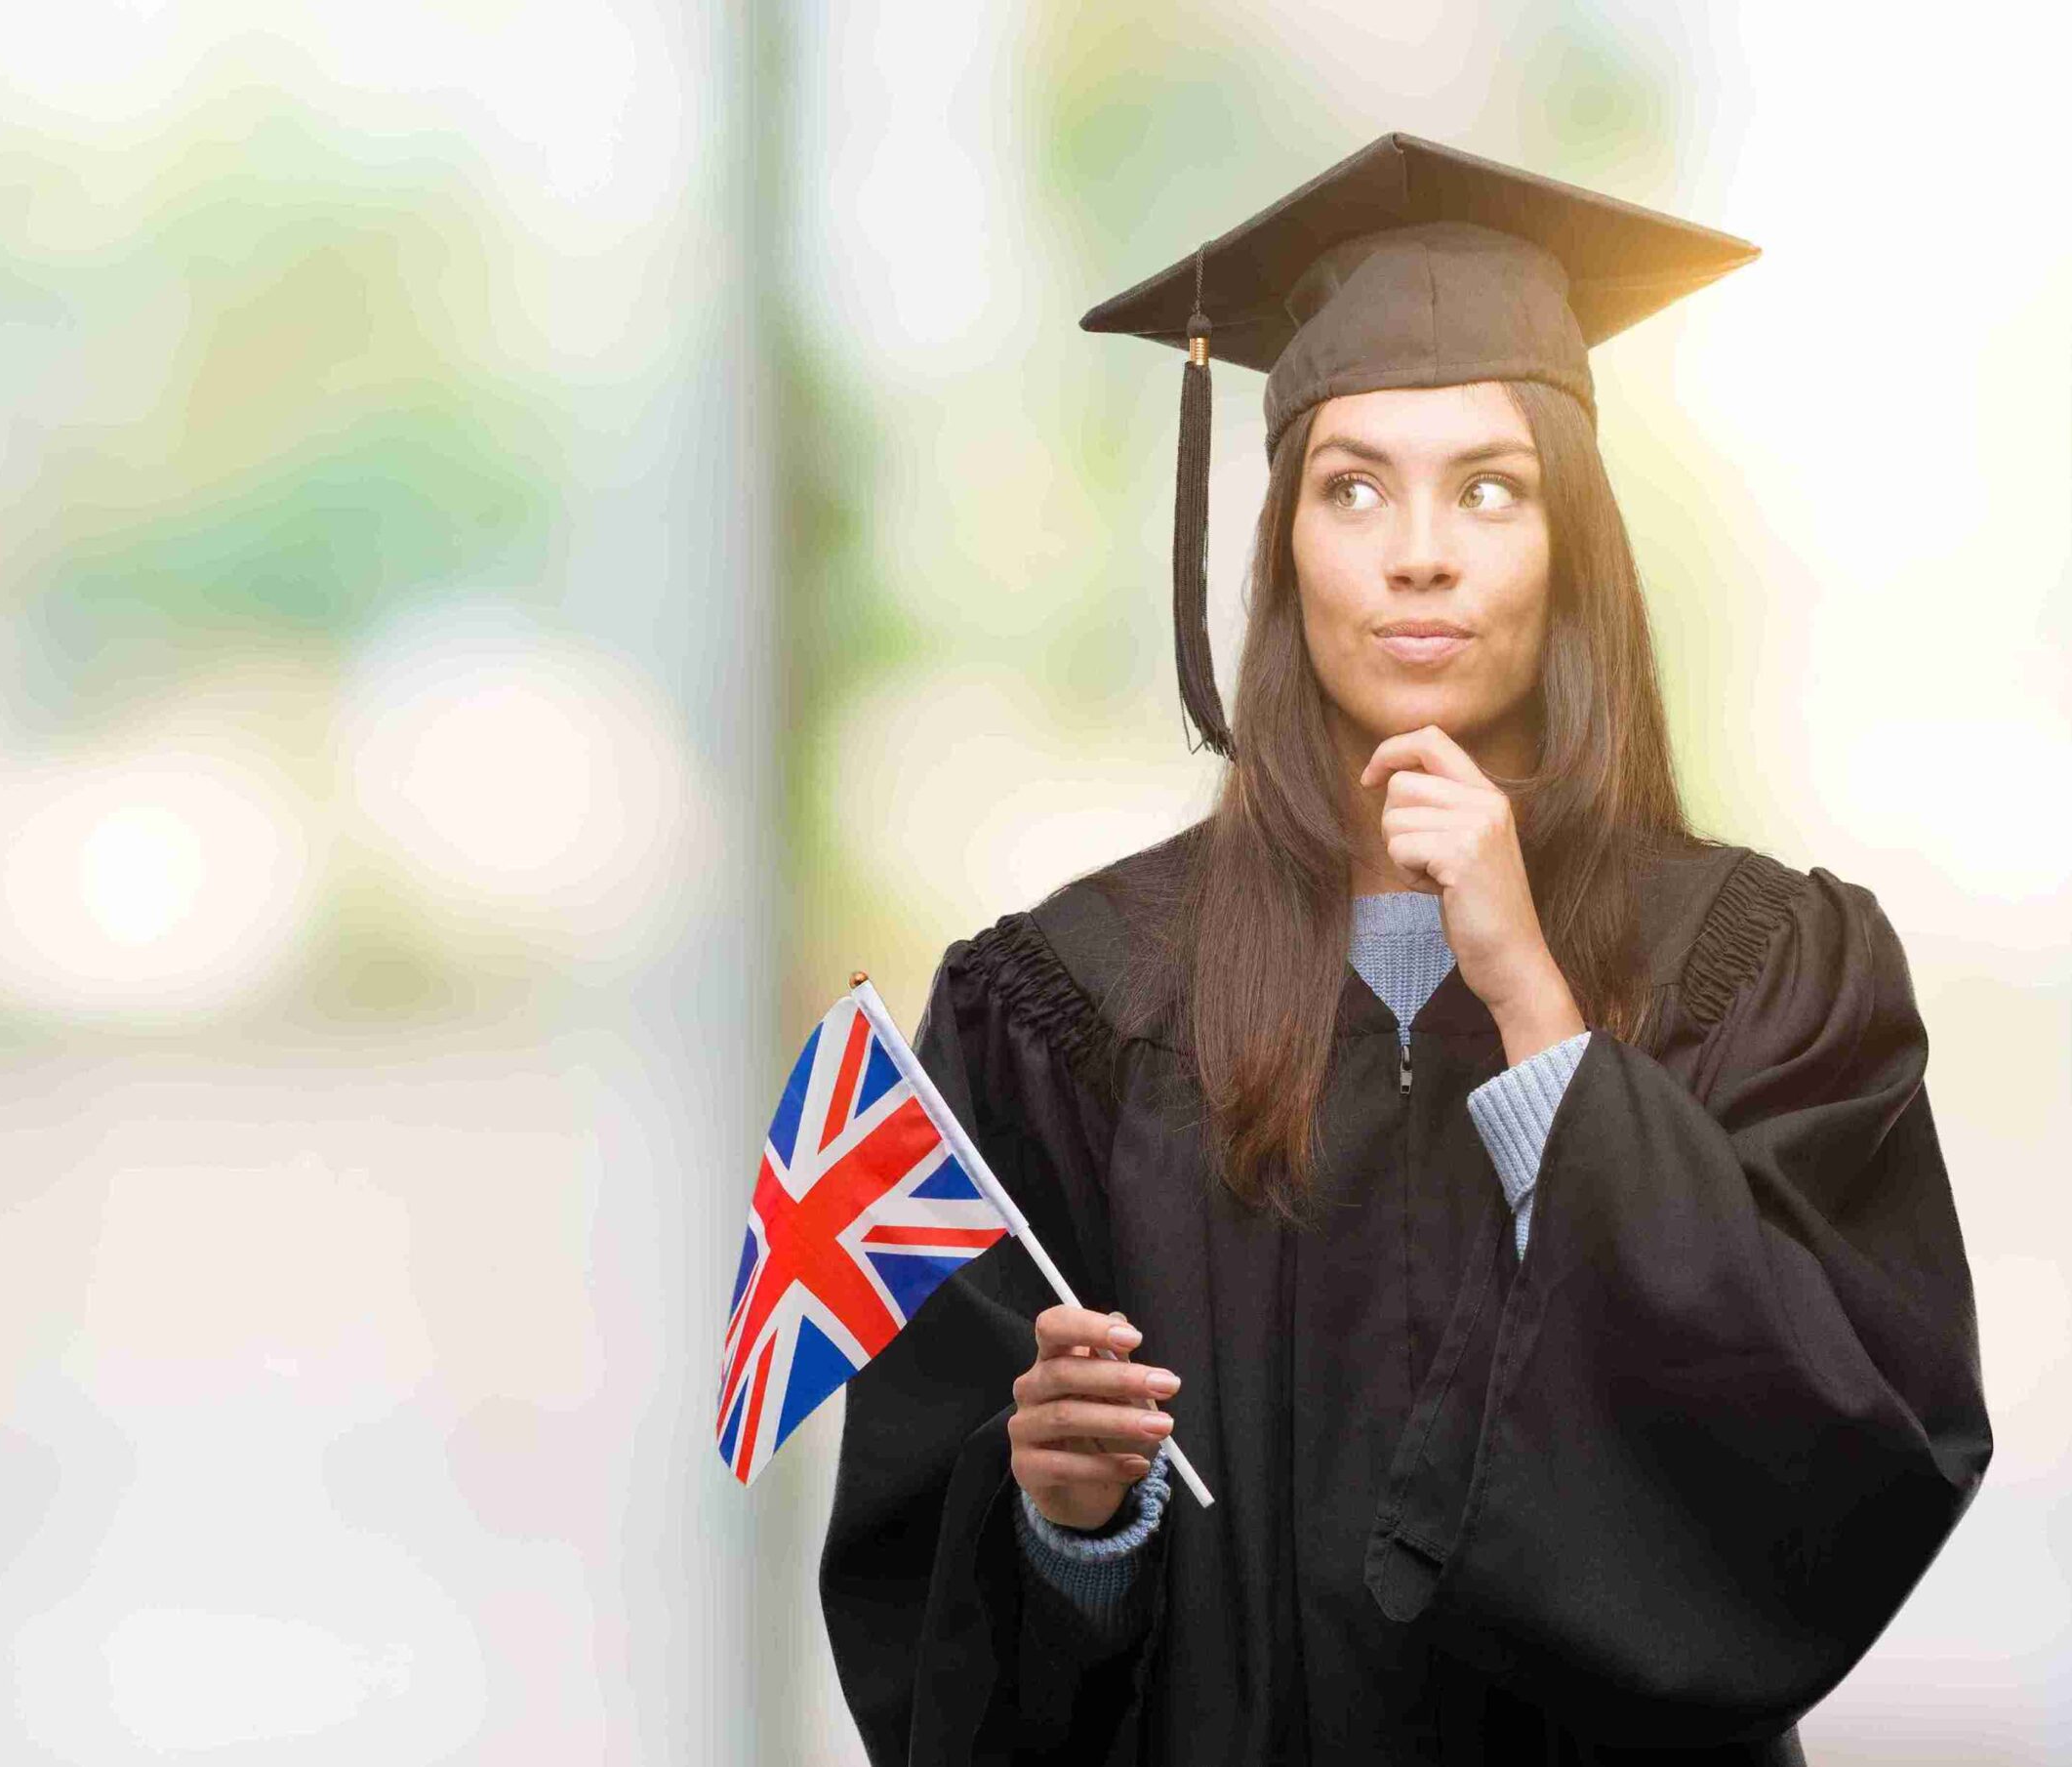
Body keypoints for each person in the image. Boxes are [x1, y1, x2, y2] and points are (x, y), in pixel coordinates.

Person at [816, 133, 1991, 1766]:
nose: (1416, 549)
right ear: (1283, 539)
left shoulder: (1764, 970)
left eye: (1488, 487)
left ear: (1570, 538)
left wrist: (1536, 1008)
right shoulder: (1073, 1008)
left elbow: (1844, 1459)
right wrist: (1071, 1531)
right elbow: (937, 1622)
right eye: (1352, 483)